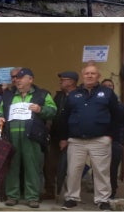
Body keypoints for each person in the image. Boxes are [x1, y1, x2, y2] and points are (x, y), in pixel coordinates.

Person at [60, 62, 119, 211]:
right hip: (76, 141)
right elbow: (65, 116)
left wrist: (110, 136)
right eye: (87, 73)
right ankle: (72, 198)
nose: (90, 76)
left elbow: (116, 115)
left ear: (98, 76)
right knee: (73, 171)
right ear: (83, 75)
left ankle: (102, 200)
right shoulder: (74, 94)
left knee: (101, 171)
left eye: (93, 73)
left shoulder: (107, 93)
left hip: (100, 139)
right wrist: (63, 138)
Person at [0, 68, 56, 208]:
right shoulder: (8, 95)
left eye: (21, 78)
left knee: (32, 167)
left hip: (32, 137)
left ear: (30, 79)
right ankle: (12, 195)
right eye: (16, 78)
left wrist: (41, 110)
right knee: (12, 167)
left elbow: (53, 110)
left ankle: (33, 197)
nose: (18, 80)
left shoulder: (42, 94)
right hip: (12, 137)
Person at [43, 70, 78, 200]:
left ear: (71, 82)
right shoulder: (59, 96)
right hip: (55, 137)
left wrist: (67, 138)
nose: (60, 82)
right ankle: (50, 191)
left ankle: (68, 196)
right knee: (50, 166)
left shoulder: (79, 96)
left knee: (70, 168)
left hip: (72, 138)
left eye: (63, 79)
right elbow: (54, 114)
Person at [100, 78, 124, 200]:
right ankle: (99, 193)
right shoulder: (98, 104)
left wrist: (121, 142)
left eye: (110, 85)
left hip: (115, 142)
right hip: (99, 141)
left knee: (112, 169)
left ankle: (112, 192)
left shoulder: (119, 105)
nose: (108, 87)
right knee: (99, 169)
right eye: (105, 86)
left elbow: (123, 124)